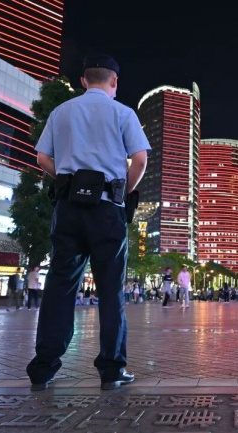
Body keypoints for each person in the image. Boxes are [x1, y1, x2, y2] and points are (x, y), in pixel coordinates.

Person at [26, 53, 151, 392]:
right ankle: (112, 370)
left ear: (83, 81)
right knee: (110, 291)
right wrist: (122, 192)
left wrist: (67, 180)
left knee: (60, 286)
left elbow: (42, 157)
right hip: (107, 209)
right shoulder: (123, 113)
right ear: (114, 81)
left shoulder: (61, 112)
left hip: (68, 208)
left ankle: (43, 368)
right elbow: (140, 160)